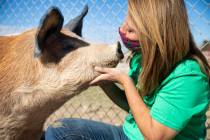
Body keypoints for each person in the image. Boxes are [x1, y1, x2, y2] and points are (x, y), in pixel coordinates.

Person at [45, 0, 210, 139]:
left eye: (130, 30)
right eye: (124, 22)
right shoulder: (142, 58)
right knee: (61, 131)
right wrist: (105, 83)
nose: (122, 30)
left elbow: (156, 135)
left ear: (157, 36)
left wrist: (125, 80)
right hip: (129, 134)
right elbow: (132, 106)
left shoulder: (188, 77)